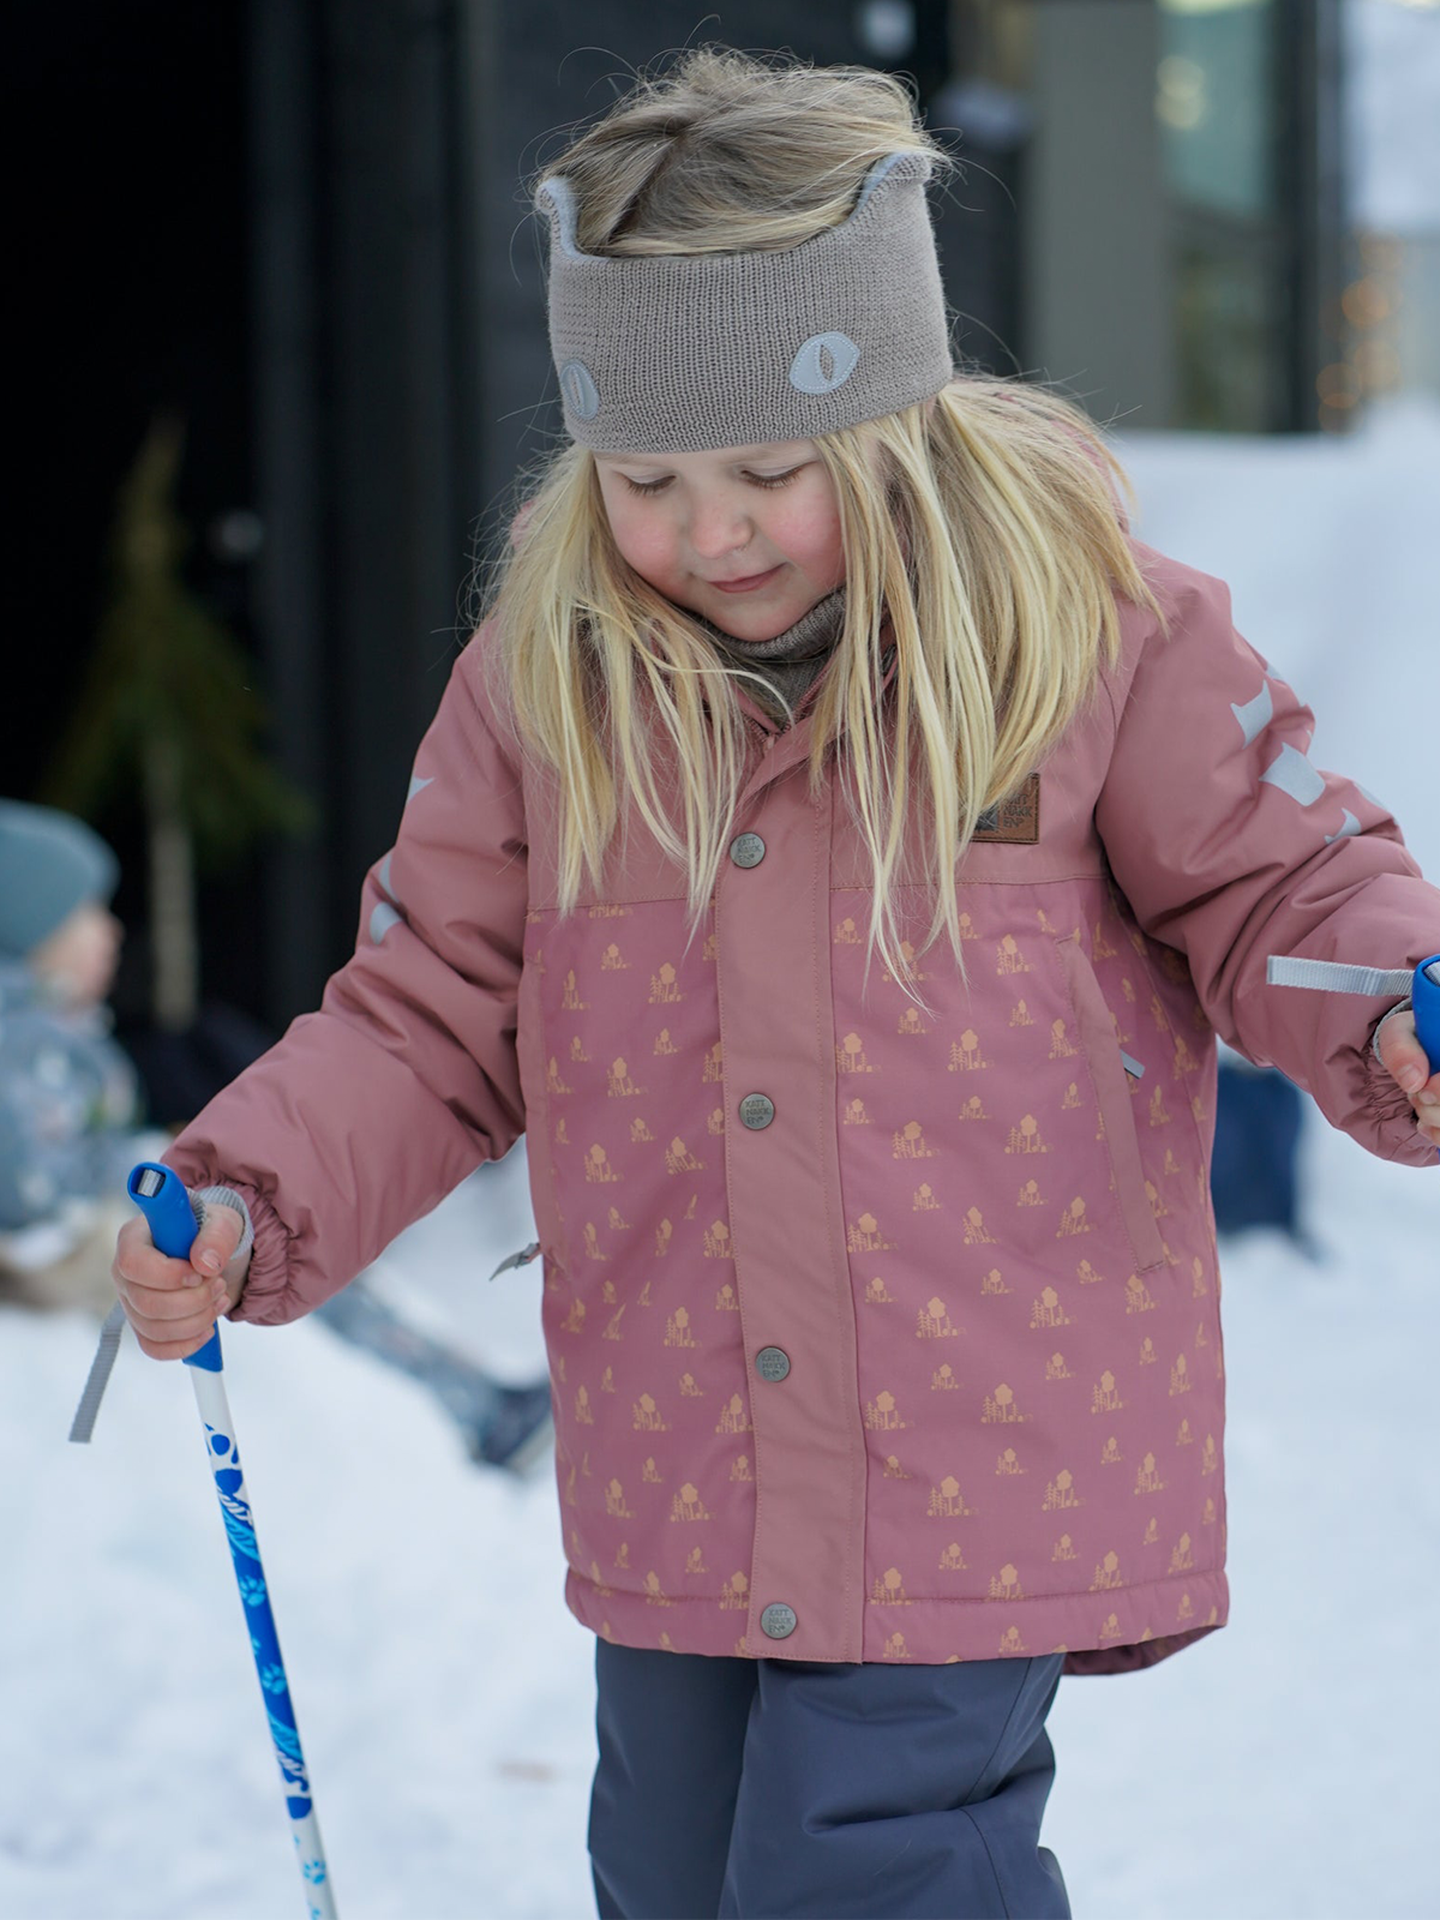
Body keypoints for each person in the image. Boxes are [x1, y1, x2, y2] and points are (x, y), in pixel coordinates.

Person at [107, 46, 1440, 1920]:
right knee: (669, 1875)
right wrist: (253, 1190)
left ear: (893, 424)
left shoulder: (1086, 639)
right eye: (647, 478)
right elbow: (429, 1012)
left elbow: (1282, 871)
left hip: (983, 1439)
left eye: (770, 471)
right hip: (689, 1447)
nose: (710, 531)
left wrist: (1394, 1001)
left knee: (868, 1871)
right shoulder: (551, 687)